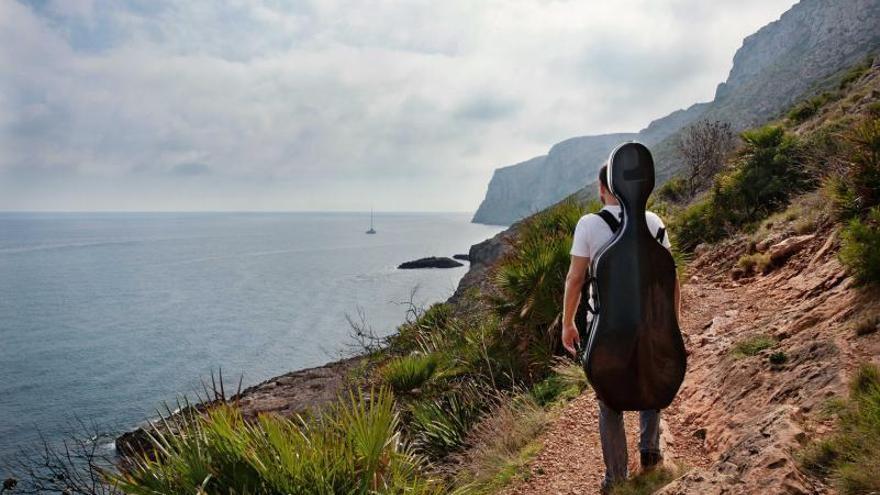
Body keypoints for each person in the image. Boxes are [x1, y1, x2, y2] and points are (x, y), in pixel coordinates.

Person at [560, 163, 680, 493]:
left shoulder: (589, 224)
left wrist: (568, 322)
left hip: (606, 331)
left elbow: (575, 279)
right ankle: (651, 456)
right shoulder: (653, 221)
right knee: (650, 382)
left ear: (602, 188)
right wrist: (673, 325)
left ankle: (616, 479)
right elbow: (671, 277)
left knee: (609, 400)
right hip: (651, 326)